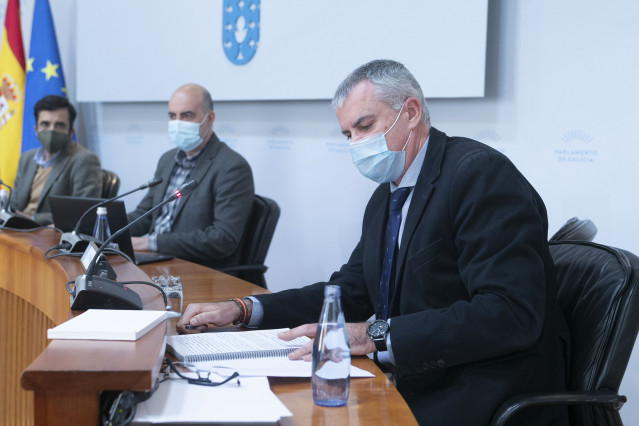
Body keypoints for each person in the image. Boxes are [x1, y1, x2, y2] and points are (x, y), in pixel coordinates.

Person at [177, 60, 569, 426]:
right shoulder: (388, 194)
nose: (356, 143)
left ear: (411, 113)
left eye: (365, 126)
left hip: (478, 389)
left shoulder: (478, 175)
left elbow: (510, 314)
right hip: (412, 376)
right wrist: (244, 310)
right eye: (348, 134)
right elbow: (352, 291)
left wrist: (373, 334)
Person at [127, 83, 254, 269]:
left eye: (187, 115)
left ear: (209, 118)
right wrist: (103, 227)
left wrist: (149, 243)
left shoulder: (232, 167)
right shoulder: (167, 159)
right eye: (172, 116)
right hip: (156, 262)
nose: (178, 123)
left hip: (198, 270)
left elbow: (223, 239)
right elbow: (145, 216)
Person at [10, 95, 102, 226]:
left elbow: (84, 214)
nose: (52, 130)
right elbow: (14, 205)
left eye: (60, 125)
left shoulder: (85, 160)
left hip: (48, 235)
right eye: (45, 124)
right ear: (36, 130)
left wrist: (33, 218)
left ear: (71, 132)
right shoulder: (27, 158)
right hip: (15, 229)